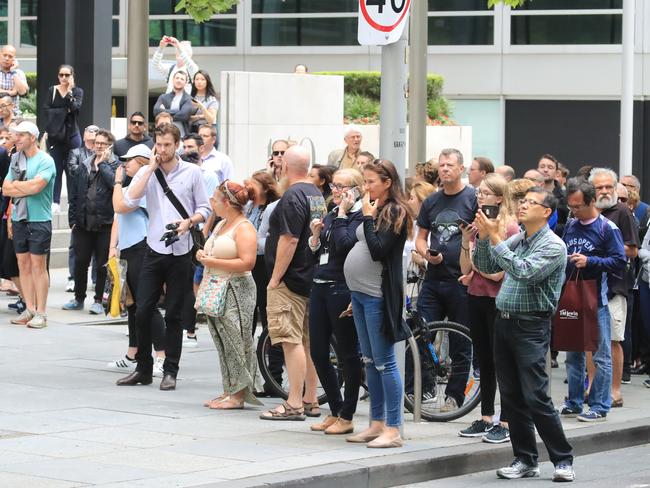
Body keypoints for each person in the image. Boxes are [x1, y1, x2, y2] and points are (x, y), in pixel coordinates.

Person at [473, 186, 575, 482]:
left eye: (531, 202)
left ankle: (562, 459)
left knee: (536, 396)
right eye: (522, 201)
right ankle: (525, 459)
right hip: (503, 323)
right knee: (512, 395)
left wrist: (494, 237)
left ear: (546, 212)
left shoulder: (553, 246)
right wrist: (482, 237)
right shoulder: (519, 238)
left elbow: (524, 271)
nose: (523, 205)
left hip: (530, 326)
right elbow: (487, 265)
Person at [116, 123, 210, 391]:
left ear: (177, 144)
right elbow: (130, 199)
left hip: (180, 251)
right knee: (143, 310)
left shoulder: (192, 173)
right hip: (154, 248)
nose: (163, 149)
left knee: (174, 315)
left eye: (167, 144)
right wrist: (150, 169)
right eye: (158, 144)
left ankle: (171, 371)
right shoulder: (149, 171)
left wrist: (188, 221)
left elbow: (204, 207)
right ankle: (143, 368)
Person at [343, 159, 411, 448]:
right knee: (369, 360)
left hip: (377, 296)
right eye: (365, 181)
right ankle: (376, 423)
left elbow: (378, 250)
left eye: (371, 181)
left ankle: (393, 428)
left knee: (384, 363)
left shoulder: (394, 211)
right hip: (359, 294)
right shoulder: (374, 208)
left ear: (387, 182)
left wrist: (368, 218)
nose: (366, 187)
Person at [259, 145, 326, 421]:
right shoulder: (315, 193)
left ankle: (295, 403)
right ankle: (310, 399)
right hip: (309, 277)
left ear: (285, 167)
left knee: (290, 340)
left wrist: (275, 278)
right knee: (307, 342)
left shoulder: (292, 196)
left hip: (290, 279)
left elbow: (289, 239)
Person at [557, 178, 626, 423]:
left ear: (592, 201)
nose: (574, 211)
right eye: (571, 207)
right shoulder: (571, 226)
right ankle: (574, 402)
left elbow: (620, 262)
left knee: (600, 354)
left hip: (597, 300)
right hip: (572, 297)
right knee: (573, 353)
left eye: (578, 207)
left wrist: (590, 261)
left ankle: (600, 404)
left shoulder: (607, 228)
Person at [458, 173, 519, 444]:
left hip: (499, 299)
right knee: (483, 359)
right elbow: (467, 267)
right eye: (478, 192)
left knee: (502, 360)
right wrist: (465, 240)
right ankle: (486, 417)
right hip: (476, 295)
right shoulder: (478, 223)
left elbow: (499, 271)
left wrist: (479, 269)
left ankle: (506, 421)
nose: (479, 196)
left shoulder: (510, 227)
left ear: (499, 196)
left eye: (484, 192)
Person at [415, 148, 477, 412]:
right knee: (422, 333)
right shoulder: (431, 201)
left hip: (461, 280)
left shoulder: (472, 198)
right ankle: (426, 386)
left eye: (449, 165)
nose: (444, 169)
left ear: (461, 168)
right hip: (433, 278)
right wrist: (425, 253)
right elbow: (421, 236)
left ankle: (455, 396)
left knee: (461, 342)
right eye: (441, 165)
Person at [198, 180, 263, 410]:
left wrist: (211, 260)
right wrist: (205, 255)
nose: (211, 203)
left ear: (227, 202)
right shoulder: (221, 223)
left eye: (215, 199)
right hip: (218, 286)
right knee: (222, 339)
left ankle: (239, 394)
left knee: (237, 339)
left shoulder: (243, 227)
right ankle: (229, 389)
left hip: (237, 288)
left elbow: (248, 262)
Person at [308, 168, 364, 435]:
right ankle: (335, 407)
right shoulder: (331, 214)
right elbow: (322, 250)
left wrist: (342, 214)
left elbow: (344, 246)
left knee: (347, 353)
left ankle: (347, 414)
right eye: (334, 186)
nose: (335, 191)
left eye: (341, 186)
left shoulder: (359, 216)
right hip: (320, 283)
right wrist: (316, 236)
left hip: (342, 287)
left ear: (355, 189)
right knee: (318, 351)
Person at [108, 144, 166, 377]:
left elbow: (119, 206)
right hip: (129, 249)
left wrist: (117, 182)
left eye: (129, 160)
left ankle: (161, 356)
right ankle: (133, 353)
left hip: (142, 248)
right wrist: (113, 247)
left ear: (142, 162)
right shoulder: (133, 185)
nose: (124, 164)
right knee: (132, 306)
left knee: (146, 305)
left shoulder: (142, 186)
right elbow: (117, 217)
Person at [589, 168, 639, 408]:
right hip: (588, 286)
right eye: (600, 187)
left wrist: (603, 250)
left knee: (613, 340)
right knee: (589, 340)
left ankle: (614, 391)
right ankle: (591, 387)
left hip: (615, 286)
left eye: (609, 187)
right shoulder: (586, 212)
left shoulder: (621, 212)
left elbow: (632, 250)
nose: (605, 191)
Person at [2, 121, 56, 329]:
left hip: (39, 220)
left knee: (38, 267)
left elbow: (37, 187)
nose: (16, 139)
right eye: (15, 135)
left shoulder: (46, 161)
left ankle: (41, 313)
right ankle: (30, 308)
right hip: (19, 219)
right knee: (22, 264)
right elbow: (5, 189)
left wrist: (17, 186)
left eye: (21, 135)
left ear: (32, 138)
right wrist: (21, 187)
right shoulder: (16, 159)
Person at [63, 129, 119, 314]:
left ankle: (98, 300)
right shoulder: (84, 164)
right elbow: (75, 192)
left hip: (105, 223)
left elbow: (114, 184)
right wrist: (72, 219)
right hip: (83, 223)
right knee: (80, 263)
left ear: (110, 145)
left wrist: (102, 165)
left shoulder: (115, 164)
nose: (99, 146)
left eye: (103, 143)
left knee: (102, 264)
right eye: (97, 143)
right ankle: (78, 298)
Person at [64, 124, 98, 292]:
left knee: (97, 247)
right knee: (75, 245)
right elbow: (73, 171)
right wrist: (94, 163)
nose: (93, 133)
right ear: (84, 135)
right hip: (78, 203)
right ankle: (72, 277)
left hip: (97, 205)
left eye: (96, 131)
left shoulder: (104, 154)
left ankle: (95, 279)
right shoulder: (76, 152)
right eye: (90, 130)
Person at [44, 64, 83, 209]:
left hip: (72, 135)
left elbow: (75, 108)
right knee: (56, 169)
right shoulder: (52, 91)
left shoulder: (77, 91)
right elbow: (47, 110)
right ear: (58, 76)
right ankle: (55, 201)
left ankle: (72, 201)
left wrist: (69, 93)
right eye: (61, 75)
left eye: (67, 75)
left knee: (72, 169)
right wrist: (63, 110)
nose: (64, 78)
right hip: (56, 136)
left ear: (72, 76)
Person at [153, 71, 193, 137]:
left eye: (182, 79)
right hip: (163, 134)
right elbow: (156, 111)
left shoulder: (188, 99)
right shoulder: (163, 97)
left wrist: (164, 111)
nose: (179, 80)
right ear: (173, 79)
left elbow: (183, 115)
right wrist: (177, 111)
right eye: (177, 78)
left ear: (185, 83)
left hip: (182, 136)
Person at [0, 45, 28, 114]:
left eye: (10, 56)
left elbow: (23, 92)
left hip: (14, 114)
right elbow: (14, 92)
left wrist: (13, 72)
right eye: (4, 55)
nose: (7, 58)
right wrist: (12, 92)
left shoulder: (19, 73)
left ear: (14, 59)